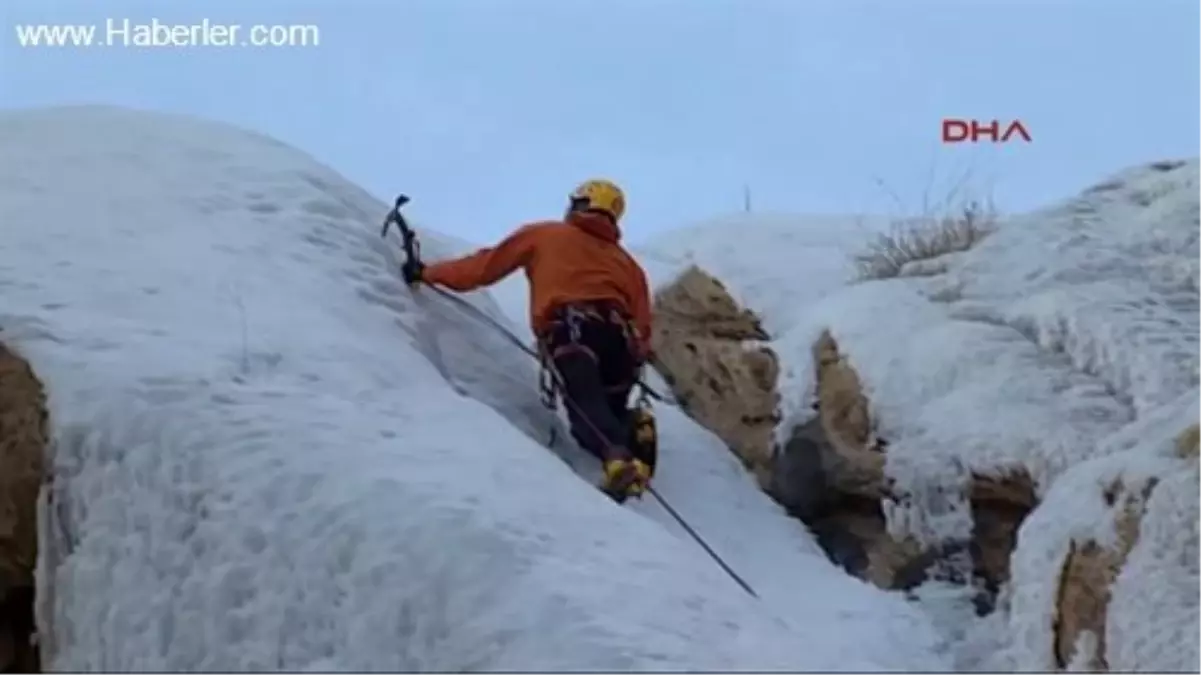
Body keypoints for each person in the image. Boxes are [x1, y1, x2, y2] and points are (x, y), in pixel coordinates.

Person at [401, 179, 655, 502]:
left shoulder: (545, 235)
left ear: (581, 204)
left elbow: (483, 267)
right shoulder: (629, 266)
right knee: (606, 406)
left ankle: (618, 460)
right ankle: (632, 442)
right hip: (620, 343)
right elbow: (644, 324)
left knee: (585, 406)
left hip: (573, 328)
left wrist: (426, 273)